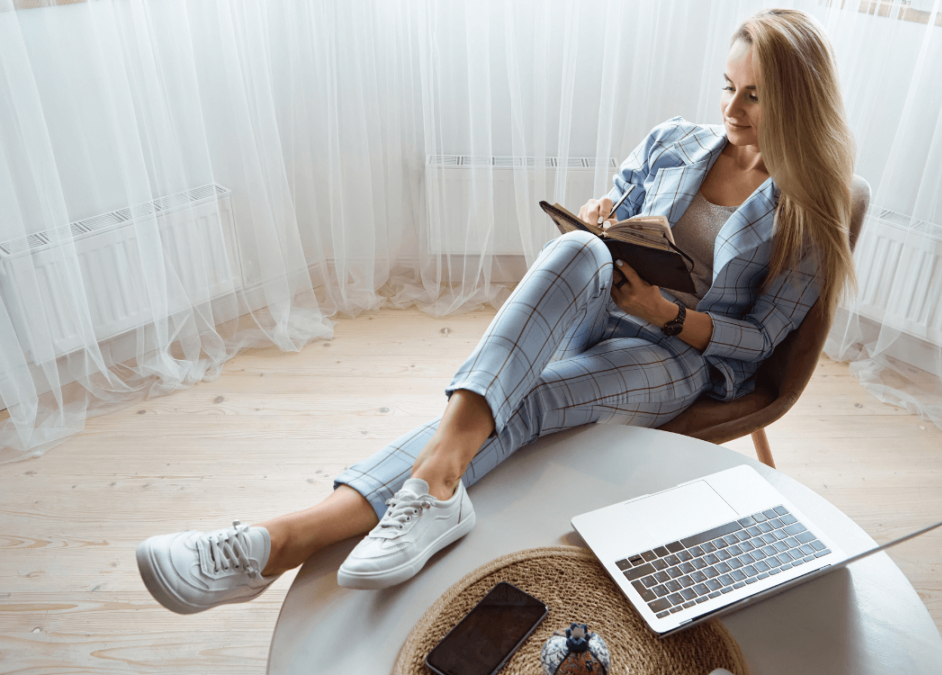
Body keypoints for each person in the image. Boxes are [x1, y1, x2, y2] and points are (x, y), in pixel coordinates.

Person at [134, 8, 857, 615]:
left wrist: (665, 312)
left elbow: (760, 338)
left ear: (796, 100)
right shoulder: (676, 140)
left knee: (526, 399)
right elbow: (624, 222)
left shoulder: (807, 213)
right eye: (727, 88)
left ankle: (276, 540)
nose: (730, 111)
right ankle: (433, 487)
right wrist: (604, 218)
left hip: (674, 355)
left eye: (755, 97)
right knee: (581, 255)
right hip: (609, 305)